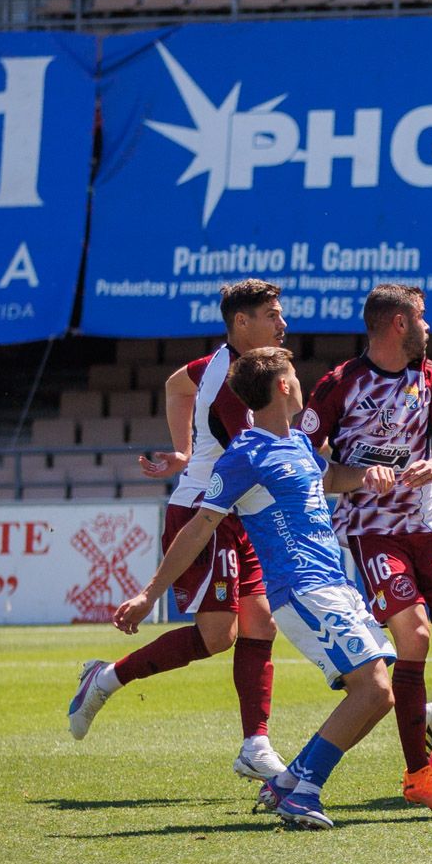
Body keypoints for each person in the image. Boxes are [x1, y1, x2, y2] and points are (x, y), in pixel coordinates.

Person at [115, 348, 396, 831]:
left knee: (379, 693)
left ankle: (288, 783)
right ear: (283, 386)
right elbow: (199, 528)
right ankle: (303, 791)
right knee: (371, 690)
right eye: (295, 375)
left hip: (334, 583)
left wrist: (367, 477)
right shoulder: (244, 455)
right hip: (301, 588)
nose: (301, 382)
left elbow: (331, 476)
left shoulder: (300, 444)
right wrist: (149, 593)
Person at [67, 279, 287, 783]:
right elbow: (261, 454)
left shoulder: (221, 363)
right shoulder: (232, 383)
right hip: (204, 514)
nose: (283, 323)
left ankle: (255, 744)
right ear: (242, 323)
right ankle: (105, 679)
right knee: (218, 637)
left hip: (236, 513)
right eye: (272, 315)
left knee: (260, 624)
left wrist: (187, 450)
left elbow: (175, 386)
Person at [300, 284, 432, 813]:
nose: (429, 327)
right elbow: (306, 466)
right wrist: (358, 473)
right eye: (422, 318)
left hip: (429, 521)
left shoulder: (427, 374)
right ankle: (416, 774)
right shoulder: (339, 385)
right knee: (416, 635)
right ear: (398, 323)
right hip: (372, 528)